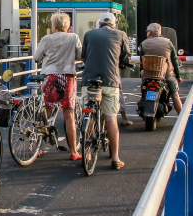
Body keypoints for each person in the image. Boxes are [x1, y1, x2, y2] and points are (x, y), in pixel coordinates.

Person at [81, 11, 131, 170]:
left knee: (87, 113)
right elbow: (126, 58)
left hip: (89, 81)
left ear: (99, 23)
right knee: (111, 119)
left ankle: (87, 153)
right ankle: (115, 158)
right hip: (110, 81)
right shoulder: (121, 34)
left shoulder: (89, 34)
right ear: (113, 24)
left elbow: (84, 56)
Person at [34, 13, 83, 161]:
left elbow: (36, 58)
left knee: (46, 113)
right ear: (67, 26)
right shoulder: (73, 37)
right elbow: (81, 55)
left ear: (54, 26)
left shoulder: (46, 39)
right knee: (69, 116)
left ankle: (36, 148)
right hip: (67, 78)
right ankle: (74, 151)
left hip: (50, 77)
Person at [138, 23, 183, 113]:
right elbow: (174, 60)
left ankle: (144, 95)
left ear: (149, 32)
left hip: (148, 75)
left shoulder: (143, 43)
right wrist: (178, 76)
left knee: (142, 75)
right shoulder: (168, 42)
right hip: (166, 74)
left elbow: (141, 61)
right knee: (175, 95)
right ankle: (183, 118)